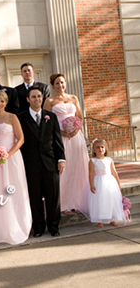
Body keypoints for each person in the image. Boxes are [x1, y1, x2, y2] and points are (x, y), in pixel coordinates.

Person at [0, 90, 32, 245]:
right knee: (0, 193)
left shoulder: (12, 117)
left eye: (2, 101)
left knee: (14, 190)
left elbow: (21, 139)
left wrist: (8, 154)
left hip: (12, 159)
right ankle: (2, 231)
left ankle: (18, 225)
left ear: (6, 103)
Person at [18, 87, 65, 237]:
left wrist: (61, 159)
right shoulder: (21, 118)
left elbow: (57, 140)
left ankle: (54, 226)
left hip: (50, 163)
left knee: (53, 197)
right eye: (33, 97)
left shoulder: (51, 116)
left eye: (39, 96)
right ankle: (38, 227)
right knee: (35, 197)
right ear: (28, 99)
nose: (37, 99)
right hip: (31, 165)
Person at [44, 73, 89, 214]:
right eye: (57, 83)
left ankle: (80, 201)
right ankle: (64, 204)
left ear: (65, 83)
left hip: (76, 138)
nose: (60, 86)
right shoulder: (49, 101)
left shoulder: (73, 98)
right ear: (53, 85)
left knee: (79, 167)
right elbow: (46, 122)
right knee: (65, 170)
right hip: (60, 138)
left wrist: (75, 129)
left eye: (62, 82)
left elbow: (80, 117)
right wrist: (62, 133)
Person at [87, 139, 125, 227]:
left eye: (102, 147)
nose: (100, 149)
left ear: (105, 149)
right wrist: (91, 184)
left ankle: (112, 218)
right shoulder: (92, 161)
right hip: (98, 182)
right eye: (98, 147)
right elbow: (91, 173)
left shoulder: (109, 159)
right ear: (94, 150)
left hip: (109, 182)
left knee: (111, 199)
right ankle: (99, 220)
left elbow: (114, 172)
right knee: (100, 200)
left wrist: (118, 183)